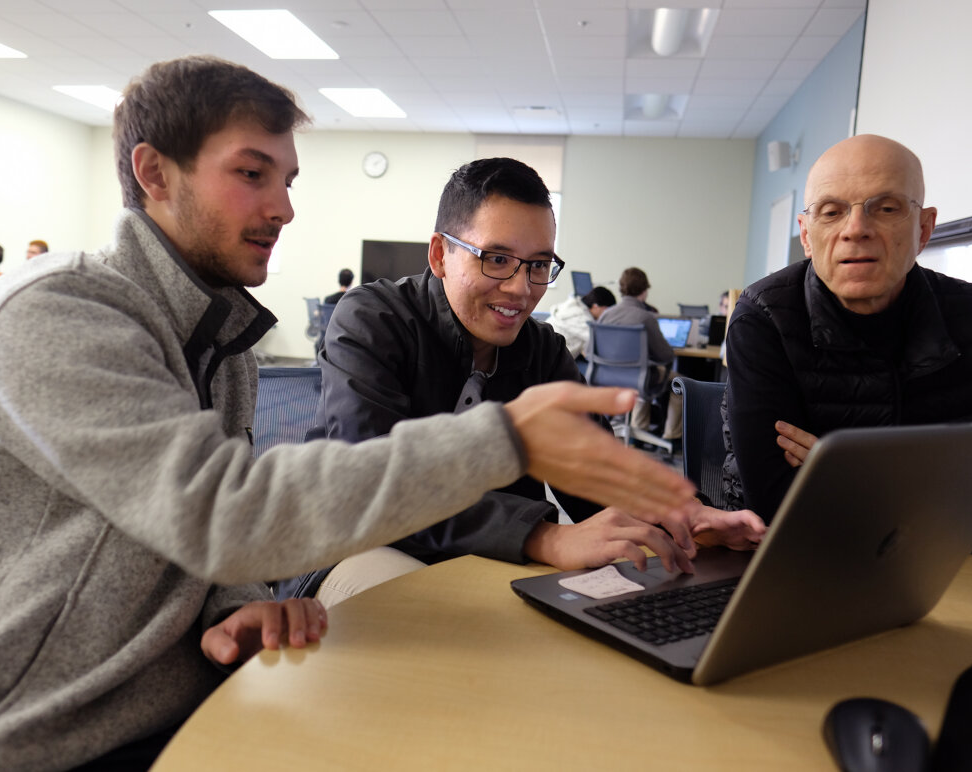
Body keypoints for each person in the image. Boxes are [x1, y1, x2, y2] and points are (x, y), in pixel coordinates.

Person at [0, 57, 701, 771]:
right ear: (155, 174)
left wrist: (235, 601)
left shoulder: (220, 340)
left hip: (159, 699)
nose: (284, 207)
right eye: (251, 173)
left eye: (288, 180)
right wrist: (507, 441)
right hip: (7, 734)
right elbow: (224, 512)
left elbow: (177, 523)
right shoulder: (58, 314)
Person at [301, 157, 763, 607]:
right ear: (441, 255)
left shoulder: (541, 348)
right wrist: (544, 536)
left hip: (485, 553)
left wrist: (683, 516)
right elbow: (373, 485)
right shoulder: (372, 320)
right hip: (359, 544)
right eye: (497, 259)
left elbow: (591, 472)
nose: (521, 289)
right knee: (438, 614)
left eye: (539, 265)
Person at [723, 134, 972, 535]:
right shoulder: (763, 320)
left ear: (924, 229)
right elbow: (776, 503)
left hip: (951, 565)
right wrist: (937, 486)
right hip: (799, 560)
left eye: (885, 208)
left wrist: (847, 477)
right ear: (805, 235)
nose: (856, 229)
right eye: (831, 212)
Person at [597, 267, 683, 442]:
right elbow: (665, 355)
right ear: (644, 291)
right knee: (679, 383)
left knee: (642, 372)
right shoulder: (646, 317)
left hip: (606, 377)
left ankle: (637, 434)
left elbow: (593, 349)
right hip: (638, 378)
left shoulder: (606, 315)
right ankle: (671, 437)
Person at [544, 285, 615, 359]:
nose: (607, 314)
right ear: (595, 306)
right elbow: (601, 343)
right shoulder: (581, 318)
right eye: (607, 310)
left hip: (545, 351)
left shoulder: (572, 307)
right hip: (548, 359)